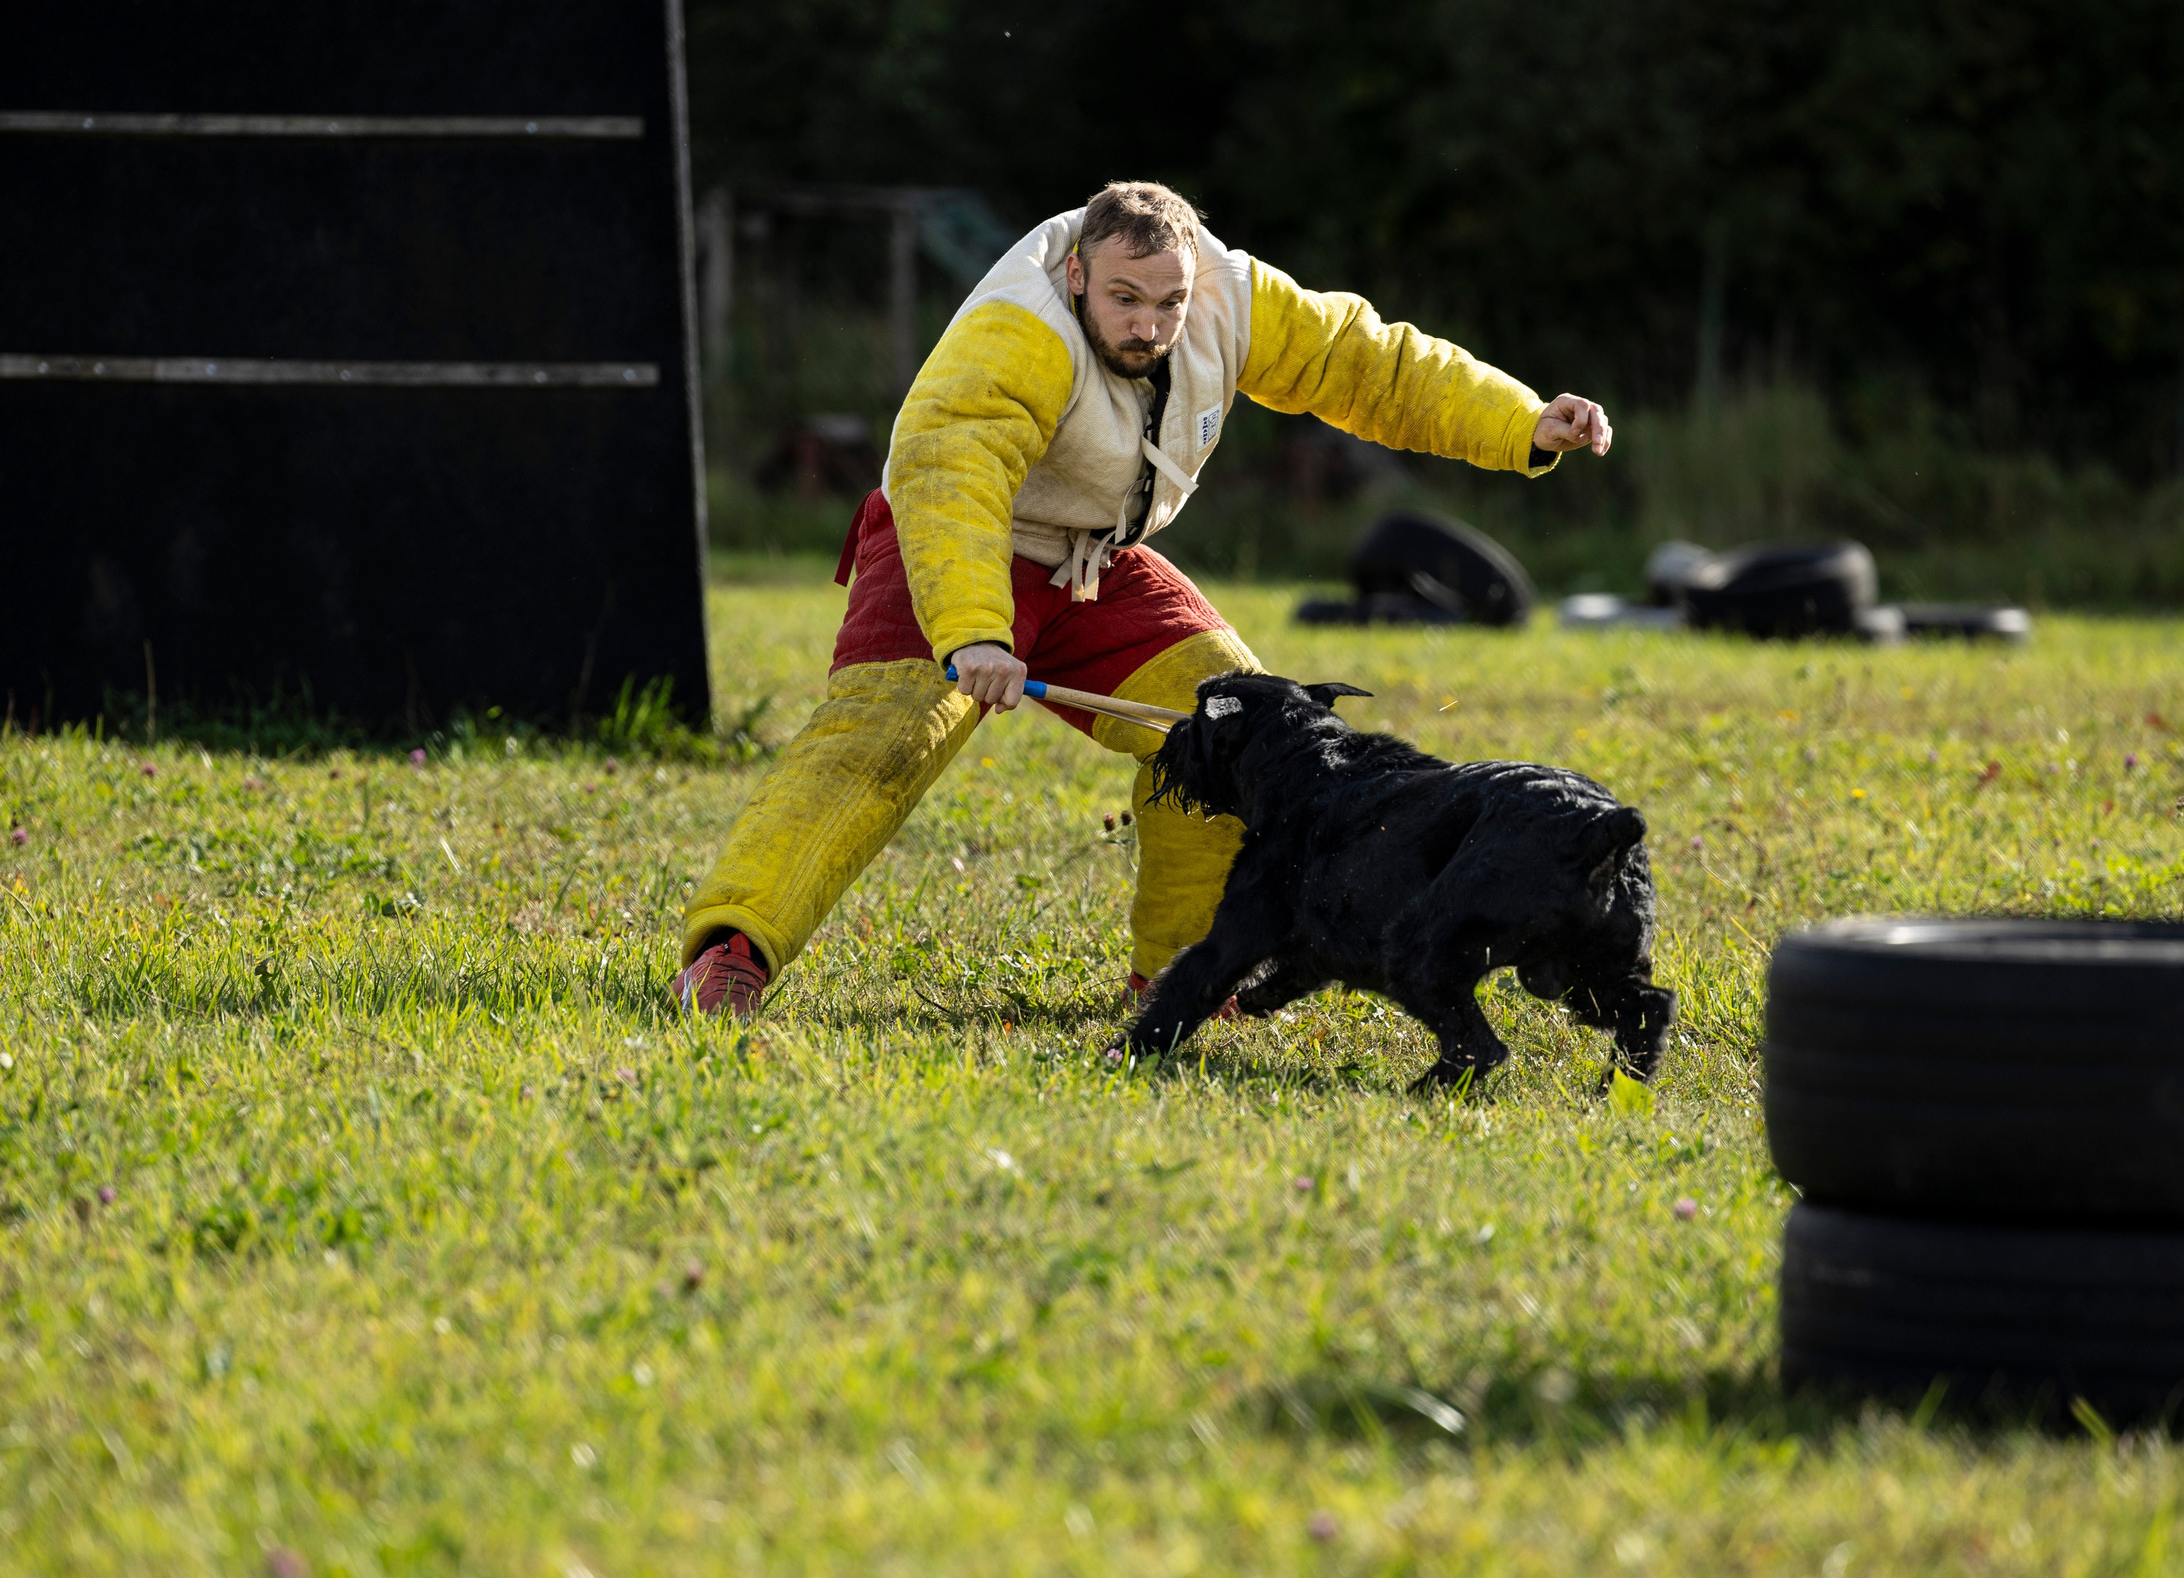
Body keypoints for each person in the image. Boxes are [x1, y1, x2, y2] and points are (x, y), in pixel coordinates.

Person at [675, 181, 1612, 1017]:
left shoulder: (1228, 297)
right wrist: (971, 634)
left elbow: (1368, 364)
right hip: (951, 543)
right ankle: (730, 952)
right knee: (880, 745)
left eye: (1166, 302)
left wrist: (1519, 419)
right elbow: (951, 469)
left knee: (1235, 727)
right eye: (1123, 298)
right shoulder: (1019, 326)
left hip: (1097, 565)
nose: (1148, 325)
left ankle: (1182, 975)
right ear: (1078, 272)